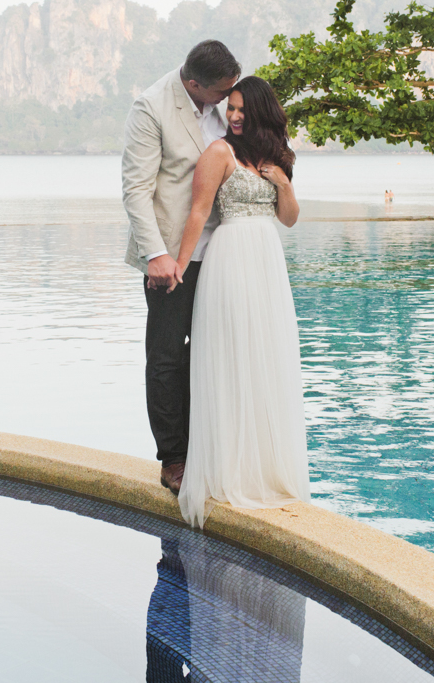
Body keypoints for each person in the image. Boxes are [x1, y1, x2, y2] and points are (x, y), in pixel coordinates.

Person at [173, 75, 309, 528]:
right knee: (231, 357)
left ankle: (265, 469)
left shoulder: (276, 158)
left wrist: (283, 184)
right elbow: (198, 211)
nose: (232, 116)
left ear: (259, 112)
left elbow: (288, 219)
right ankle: (228, 469)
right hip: (229, 259)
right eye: (229, 108)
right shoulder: (218, 153)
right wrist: (178, 266)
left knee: (266, 358)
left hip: (267, 261)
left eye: (240, 109)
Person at [122, 40, 242, 495]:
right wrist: (156, 255)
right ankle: (174, 457)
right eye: (222, 92)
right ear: (194, 84)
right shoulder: (151, 107)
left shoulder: (228, 104)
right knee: (168, 357)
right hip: (172, 258)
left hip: (223, 254)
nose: (230, 100)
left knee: (213, 351)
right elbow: (136, 189)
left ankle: (212, 449)